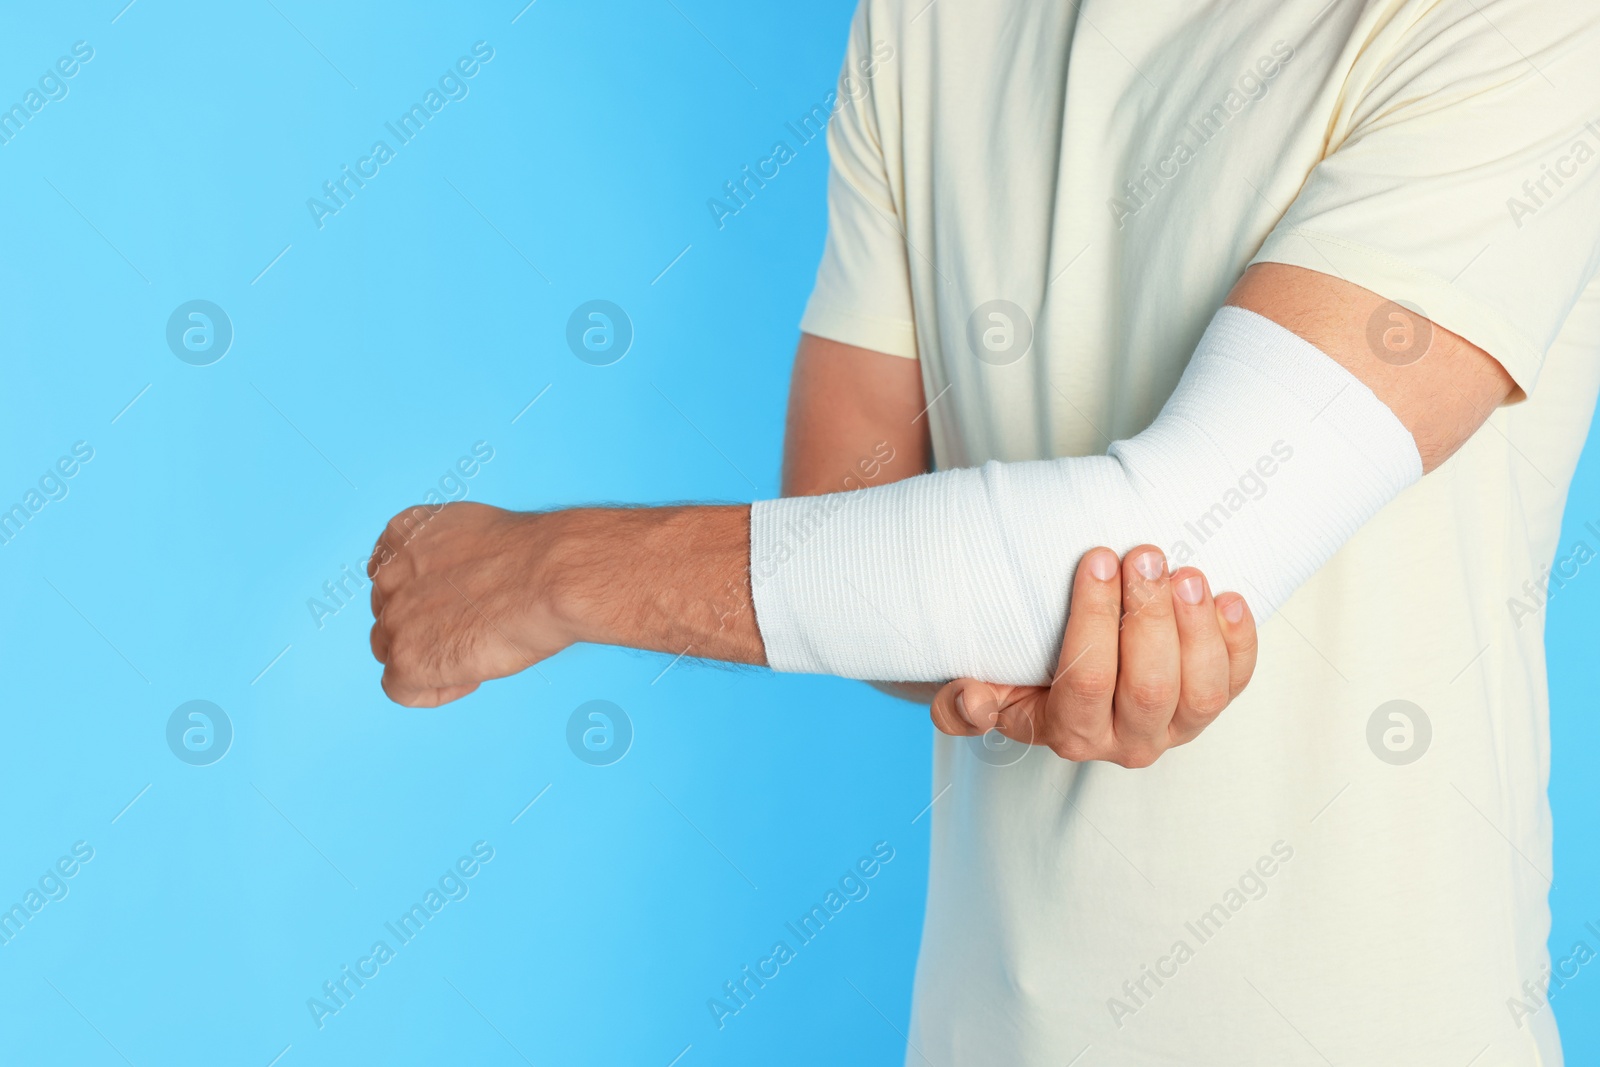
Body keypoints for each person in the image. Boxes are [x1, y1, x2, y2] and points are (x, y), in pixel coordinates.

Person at [367, 0, 1600, 1061]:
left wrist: (552, 571)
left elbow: (1180, 536)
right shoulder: (924, 21)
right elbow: (852, 525)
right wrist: (1003, 655)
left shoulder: (1519, 28)